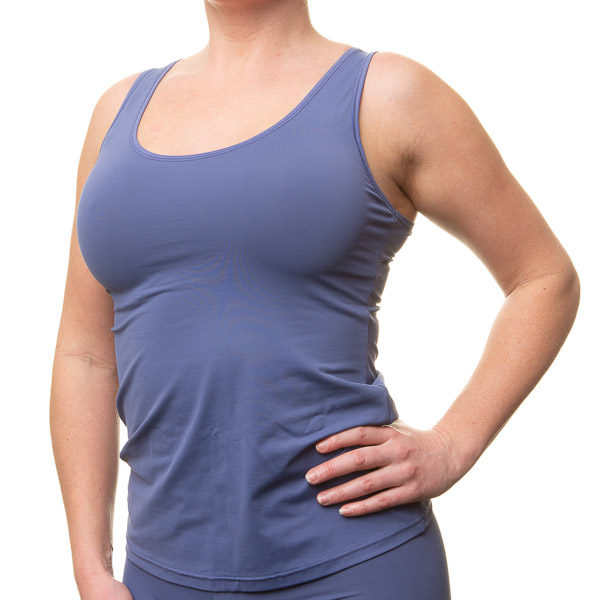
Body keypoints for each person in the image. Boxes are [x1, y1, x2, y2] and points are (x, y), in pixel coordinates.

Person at [49, 1, 580, 599]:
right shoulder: (116, 113)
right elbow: (85, 353)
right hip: (159, 577)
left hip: (355, 563)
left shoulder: (388, 96)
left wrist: (454, 444)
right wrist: (90, 567)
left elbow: (543, 277)